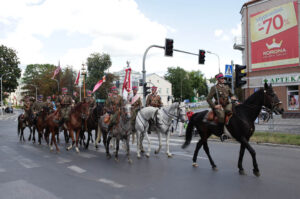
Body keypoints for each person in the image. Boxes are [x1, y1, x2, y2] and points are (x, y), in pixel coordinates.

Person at [206, 73, 237, 141]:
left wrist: (233, 97)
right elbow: (208, 98)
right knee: (221, 116)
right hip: (219, 106)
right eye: (221, 78)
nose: (223, 79)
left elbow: (232, 95)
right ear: (218, 79)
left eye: (223, 78)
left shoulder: (226, 87)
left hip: (227, 104)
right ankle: (222, 133)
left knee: (232, 110)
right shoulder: (214, 88)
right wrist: (214, 106)